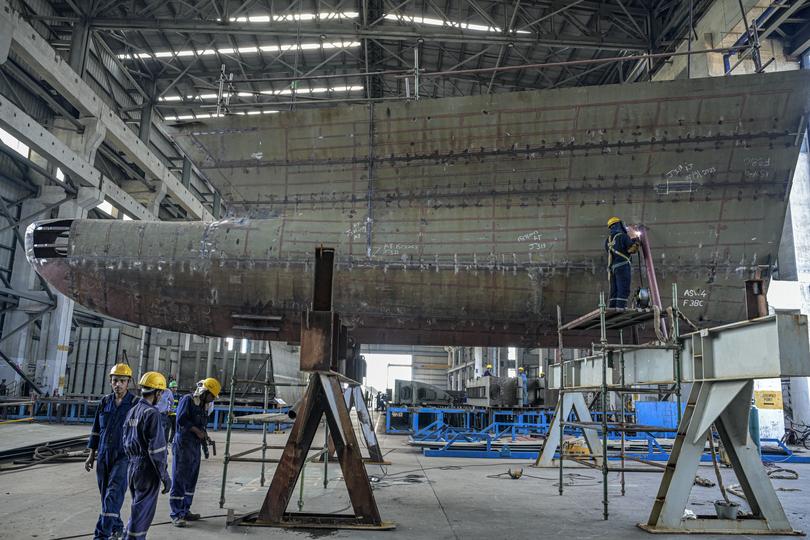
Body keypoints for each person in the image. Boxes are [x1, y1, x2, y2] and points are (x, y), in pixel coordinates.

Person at [85, 363, 136, 540]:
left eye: (122, 381)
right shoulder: (105, 402)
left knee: (113, 494)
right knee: (105, 495)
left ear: (128, 382)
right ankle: (117, 527)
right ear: (110, 381)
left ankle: (101, 535)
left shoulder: (134, 404)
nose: (118, 384)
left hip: (124, 456)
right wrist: (91, 454)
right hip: (104, 455)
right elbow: (96, 429)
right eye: (115, 380)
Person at [122, 372, 170, 540]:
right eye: (161, 393)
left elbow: (125, 440)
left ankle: (126, 536)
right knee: (143, 514)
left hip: (133, 467)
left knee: (137, 508)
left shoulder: (132, 411)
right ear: (157, 392)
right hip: (147, 470)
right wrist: (164, 475)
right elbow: (156, 450)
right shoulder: (152, 413)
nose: (162, 396)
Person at [169, 377, 220, 527]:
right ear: (205, 392)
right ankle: (176, 514)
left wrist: (204, 436)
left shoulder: (203, 405)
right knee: (180, 478)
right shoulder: (188, 400)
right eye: (211, 396)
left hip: (194, 446)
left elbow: (201, 424)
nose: (212, 400)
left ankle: (185, 510)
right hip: (183, 444)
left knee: (191, 478)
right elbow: (181, 420)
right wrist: (197, 431)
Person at [605, 217, 639, 308]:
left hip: (612, 269)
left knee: (614, 291)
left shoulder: (608, 240)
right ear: (620, 225)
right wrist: (635, 240)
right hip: (623, 267)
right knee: (623, 290)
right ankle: (620, 309)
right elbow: (631, 250)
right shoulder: (623, 237)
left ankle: (612, 310)